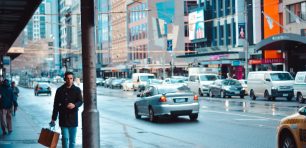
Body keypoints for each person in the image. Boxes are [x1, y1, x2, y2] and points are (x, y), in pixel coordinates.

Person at [50, 72, 83, 148]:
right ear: (65, 79)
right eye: (67, 78)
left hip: (73, 118)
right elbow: (55, 105)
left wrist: (74, 105)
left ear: (73, 79)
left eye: (71, 78)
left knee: (72, 140)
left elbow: (80, 101)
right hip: (63, 118)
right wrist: (53, 118)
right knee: (65, 138)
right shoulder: (59, 90)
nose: (69, 80)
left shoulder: (77, 90)